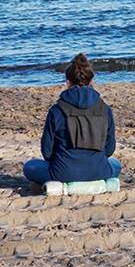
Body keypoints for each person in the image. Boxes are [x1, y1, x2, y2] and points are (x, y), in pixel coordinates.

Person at [26, 54, 120, 193]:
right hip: (99, 171)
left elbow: (47, 152)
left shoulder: (56, 110)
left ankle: (63, 185)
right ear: (92, 81)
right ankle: (96, 184)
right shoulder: (105, 109)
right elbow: (109, 149)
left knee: (29, 167)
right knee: (116, 164)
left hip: (63, 172)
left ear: (68, 83)